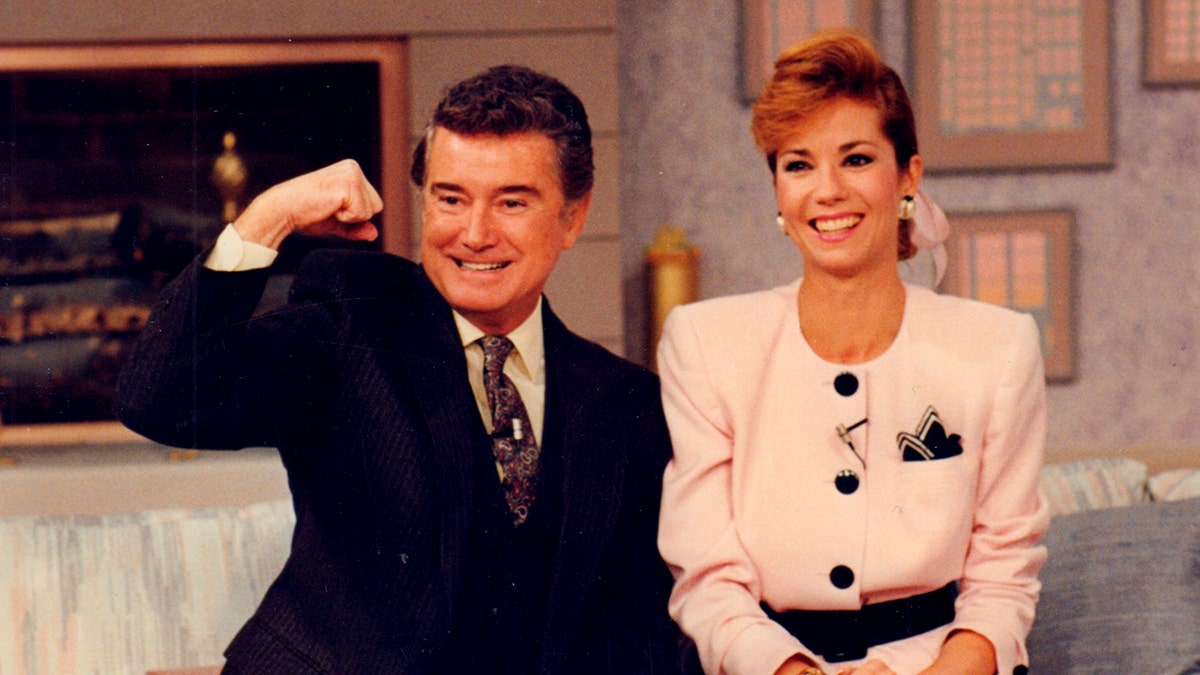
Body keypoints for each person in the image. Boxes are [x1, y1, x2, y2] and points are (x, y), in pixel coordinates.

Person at [114, 65, 681, 674]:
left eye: (512, 202)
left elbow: (642, 630)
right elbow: (160, 399)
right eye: (450, 199)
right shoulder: (349, 322)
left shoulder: (629, 402)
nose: (474, 234)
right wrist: (270, 216)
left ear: (574, 216)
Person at [655, 30, 1048, 675]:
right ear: (779, 192)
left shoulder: (998, 349)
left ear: (908, 177)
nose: (828, 190)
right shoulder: (704, 344)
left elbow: (1003, 577)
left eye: (857, 159)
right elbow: (707, 576)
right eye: (798, 164)